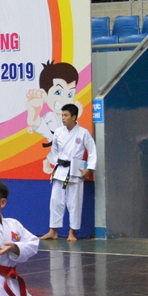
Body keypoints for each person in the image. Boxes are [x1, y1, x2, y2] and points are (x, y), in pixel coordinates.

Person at [41, 104, 97, 242]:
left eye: (66, 115)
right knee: (55, 201)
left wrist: (89, 169)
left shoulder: (83, 133)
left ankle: (72, 232)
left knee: (74, 203)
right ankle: (53, 231)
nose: (63, 118)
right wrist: (55, 162)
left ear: (74, 117)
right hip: (60, 170)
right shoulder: (59, 132)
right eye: (62, 115)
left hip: (75, 171)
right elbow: (54, 150)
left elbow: (92, 152)